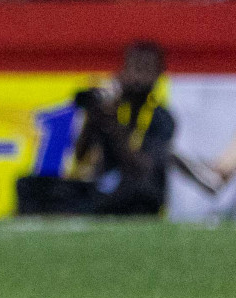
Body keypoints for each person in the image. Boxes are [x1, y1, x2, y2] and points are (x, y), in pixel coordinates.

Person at [16, 42, 175, 215]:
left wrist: (111, 124)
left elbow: (142, 168)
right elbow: (80, 155)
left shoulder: (161, 118)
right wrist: (94, 117)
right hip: (104, 187)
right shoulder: (112, 107)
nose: (137, 76)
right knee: (29, 185)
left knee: (139, 192)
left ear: (158, 74)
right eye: (134, 68)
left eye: (145, 69)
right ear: (122, 71)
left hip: (136, 192)